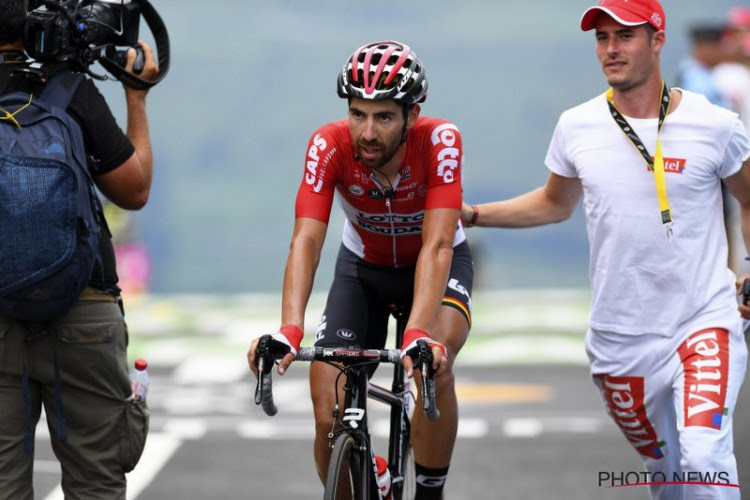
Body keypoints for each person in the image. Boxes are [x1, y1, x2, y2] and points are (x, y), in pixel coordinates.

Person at [462, 1, 750, 499]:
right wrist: (471, 215)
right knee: (669, 477)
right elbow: (554, 204)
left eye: (625, 36)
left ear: (657, 40)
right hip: (620, 337)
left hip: (705, 318)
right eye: (602, 38)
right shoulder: (577, 126)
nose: (611, 49)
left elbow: (748, 198)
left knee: (705, 457)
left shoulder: (716, 124)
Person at [247, 40, 473, 499]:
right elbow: (307, 239)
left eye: (384, 116)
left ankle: (429, 492)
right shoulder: (328, 144)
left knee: (433, 366)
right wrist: (291, 327)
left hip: (434, 267)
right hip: (363, 270)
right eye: (358, 114)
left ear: (412, 115)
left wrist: (418, 333)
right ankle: (372, 477)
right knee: (328, 412)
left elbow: (438, 243)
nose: (367, 132)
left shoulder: (440, 140)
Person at [0, 0, 159, 498]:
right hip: (84, 310)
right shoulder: (68, 88)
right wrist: (137, 97)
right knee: (96, 483)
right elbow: (133, 190)